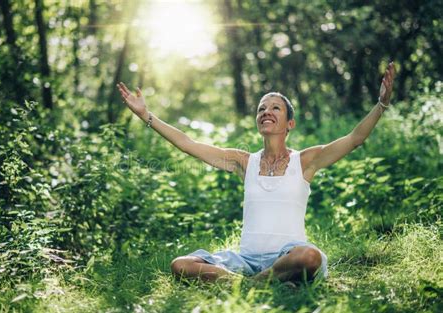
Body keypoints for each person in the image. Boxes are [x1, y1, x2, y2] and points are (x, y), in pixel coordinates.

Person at [117, 62, 396, 283]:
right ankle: (257, 282)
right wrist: (147, 116)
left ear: (290, 123)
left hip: (288, 255)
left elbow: (354, 139)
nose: (267, 111)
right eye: (262, 108)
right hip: (245, 260)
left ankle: (251, 283)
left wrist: (381, 105)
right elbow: (189, 144)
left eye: (276, 108)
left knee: (309, 256)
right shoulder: (244, 162)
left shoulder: (305, 161)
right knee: (181, 265)